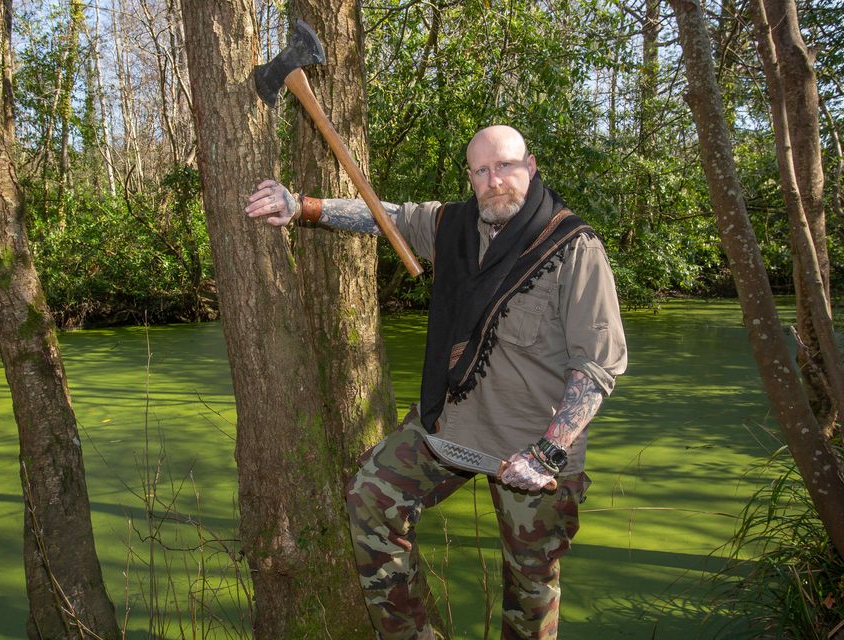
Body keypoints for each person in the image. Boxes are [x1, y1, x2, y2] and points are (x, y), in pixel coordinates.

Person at [245, 125, 627, 640]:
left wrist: (547, 454)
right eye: (482, 171)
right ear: (471, 177)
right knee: (370, 499)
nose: (495, 181)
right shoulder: (456, 225)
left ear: (531, 166)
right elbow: (389, 217)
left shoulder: (573, 248)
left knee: (530, 591)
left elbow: (598, 366)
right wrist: (302, 207)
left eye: (506, 167)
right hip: (451, 426)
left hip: (533, 449)